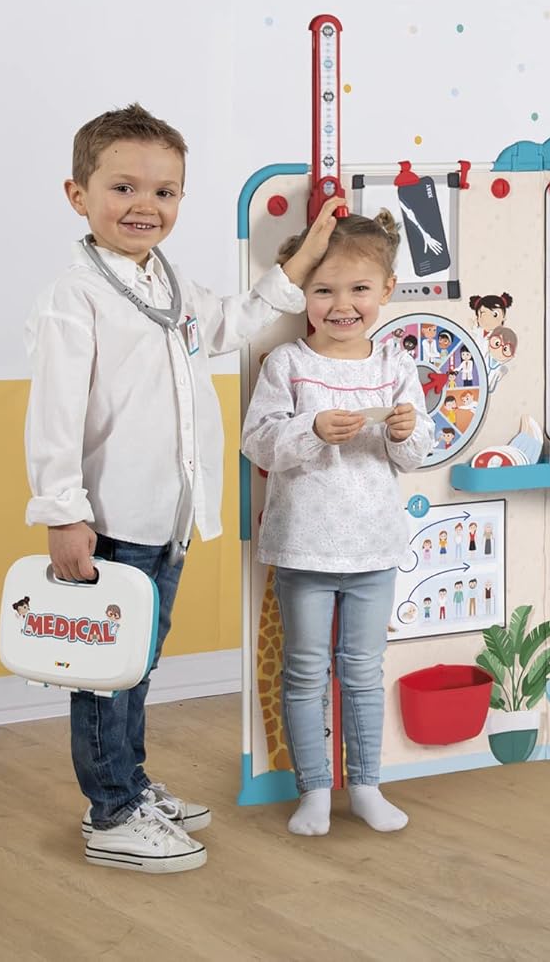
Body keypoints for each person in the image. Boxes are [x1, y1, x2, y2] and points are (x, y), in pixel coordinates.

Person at [24, 103, 335, 873]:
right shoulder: (76, 296)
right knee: (108, 671)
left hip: (170, 513)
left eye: (164, 192)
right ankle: (112, 812)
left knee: (139, 662)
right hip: (113, 517)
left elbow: (231, 322)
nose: (145, 205)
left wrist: (303, 261)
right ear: (77, 194)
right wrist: (63, 514)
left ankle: (128, 783)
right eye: (123, 187)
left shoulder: (166, 282)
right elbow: (55, 417)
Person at [242, 208, 435, 838]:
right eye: (324, 289)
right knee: (305, 672)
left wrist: (405, 432)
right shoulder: (286, 364)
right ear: (303, 291)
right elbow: (258, 442)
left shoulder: (395, 366)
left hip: (374, 547)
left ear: (387, 289)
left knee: (362, 672)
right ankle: (315, 792)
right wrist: (312, 429)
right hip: (304, 547)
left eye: (358, 289)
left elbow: (415, 455)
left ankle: (368, 786)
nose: (342, 304)